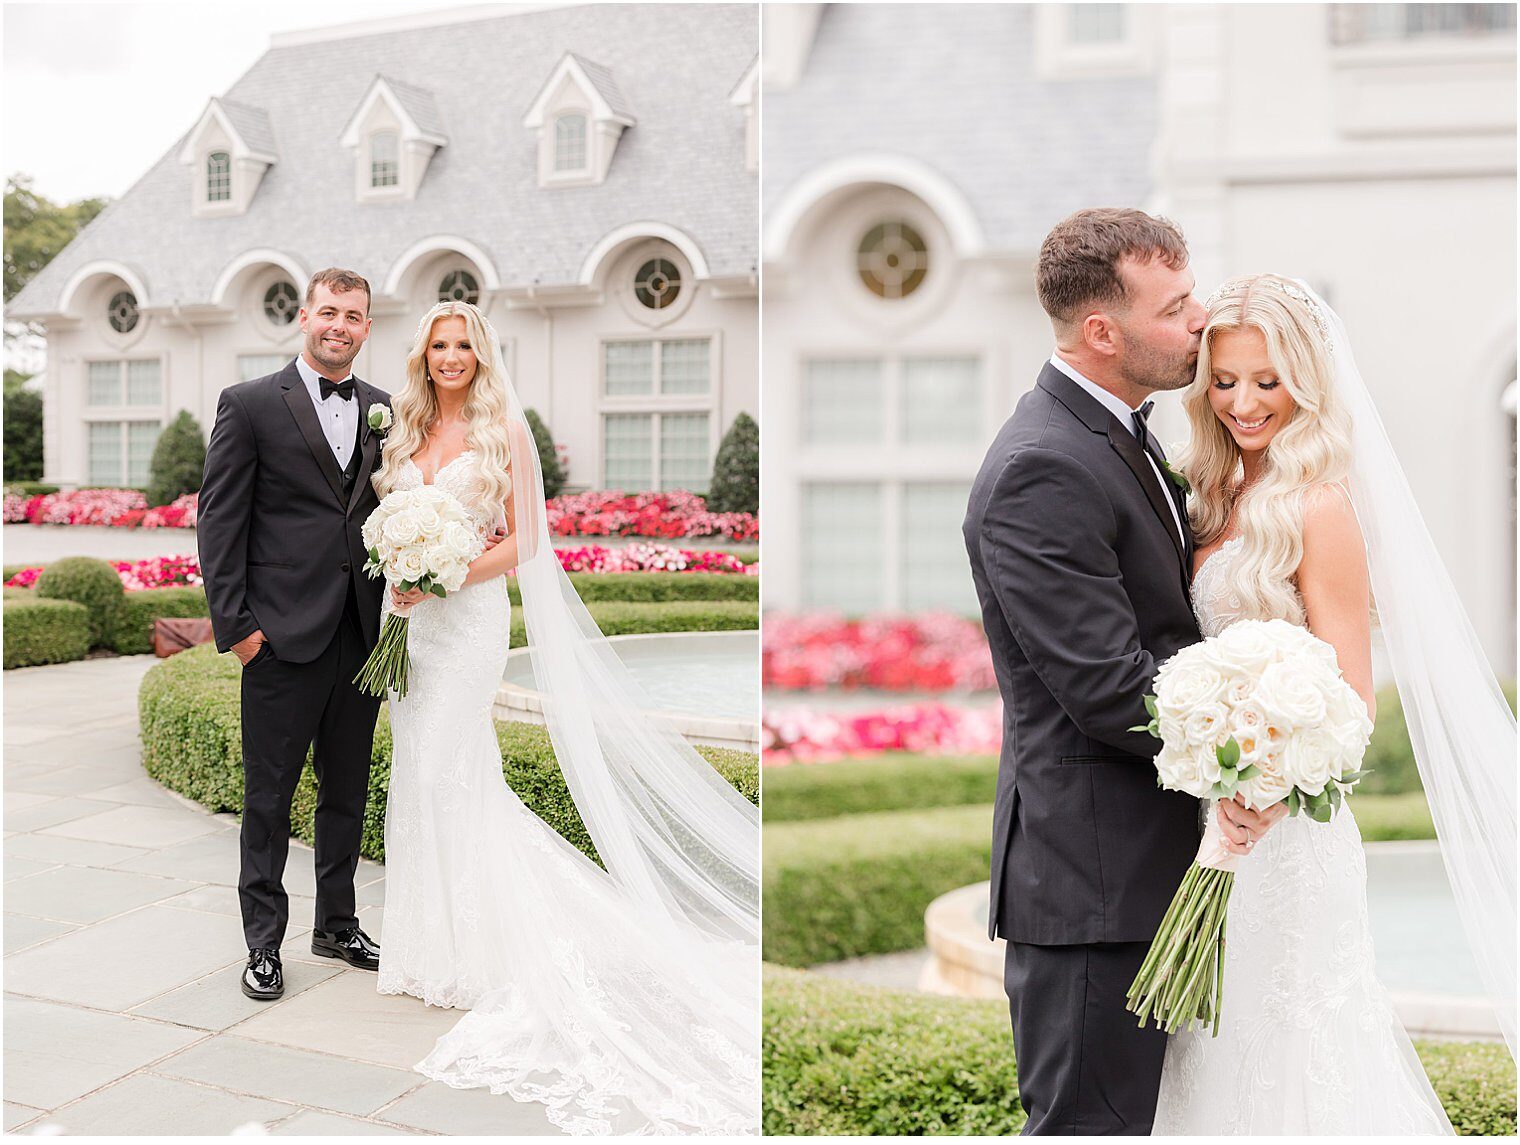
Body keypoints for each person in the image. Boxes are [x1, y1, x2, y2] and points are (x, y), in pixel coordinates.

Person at [369, 300, 759, 1135]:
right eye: (437, 345)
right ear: (423, 353)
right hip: (408, 624)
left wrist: (450, 572)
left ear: (480, 354)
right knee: (417, 777)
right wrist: (399, 568)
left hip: (467, 623)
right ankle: (422, 948)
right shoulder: (398, 434)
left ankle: (476, 949)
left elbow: (529, 541)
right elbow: (384, 525)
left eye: (461, 345)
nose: (448, 357)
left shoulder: (505, 432)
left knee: (450, 772)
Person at [1152, 273, 1515, 1133]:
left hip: (1289, 838)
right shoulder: (1204, 497)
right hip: (1205, 820)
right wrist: (1214, 769)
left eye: (1268, 382)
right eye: (1226, 379)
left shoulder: (1320, 507)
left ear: (1306, 384)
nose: (1243, 401)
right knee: (1208, 1046)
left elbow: (1352, 699)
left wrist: (1265, 793)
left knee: (1294, 1046)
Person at [962, 209, 1285, 1134]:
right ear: (1102, 331)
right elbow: (1109, 686)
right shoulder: (1041, 467)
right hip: (1091, 883)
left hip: (1146, 865)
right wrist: (1256, 748)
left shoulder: (1120, 435)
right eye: (1177, 306)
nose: (1200, 320)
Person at [199, 268, 391, 1000]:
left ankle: (337, 923)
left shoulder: (384, 410)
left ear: (368, 327)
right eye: (329, 311)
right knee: (269, 799)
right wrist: (240, 631)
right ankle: (263, 943)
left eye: (355, 315)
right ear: (304, 316)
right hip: (279, 639)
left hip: (361, 635)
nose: (340, 324)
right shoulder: (249, 404)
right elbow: (219, 523)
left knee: (345, 792)